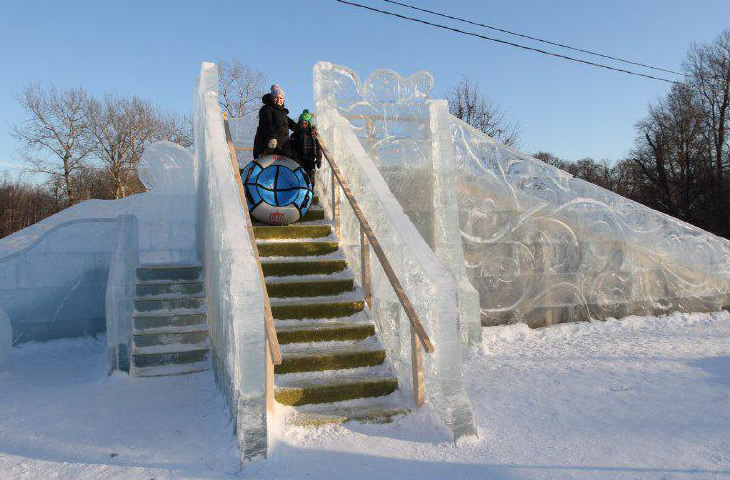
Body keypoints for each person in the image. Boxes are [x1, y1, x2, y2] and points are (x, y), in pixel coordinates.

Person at [253, 84, 298, 159]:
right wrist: (272, 138)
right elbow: (267, 124)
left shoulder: (282, 112)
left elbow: (292, 124)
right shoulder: (266, 109)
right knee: (269, 167)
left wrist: (305, 129)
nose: (279, 100)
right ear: (272, 98)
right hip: (269, 146)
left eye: (281, 98)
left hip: (283, 148)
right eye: (276, 97)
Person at [290, 109, 323, 187]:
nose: (303, 124)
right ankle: (299, 194)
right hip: (298, 160)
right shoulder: (295, 135)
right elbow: (291, 147)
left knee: (310, 180)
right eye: (301, 123)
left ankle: (310, 192)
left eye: (305, 123)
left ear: (309, 124)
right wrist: (292, 158)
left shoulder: (313, 135)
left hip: (310, 160)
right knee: (298, 178)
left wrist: (319, 159)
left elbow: (318, 148)